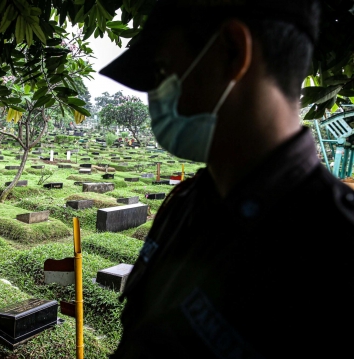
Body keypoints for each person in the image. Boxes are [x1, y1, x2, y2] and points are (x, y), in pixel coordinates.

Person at [100, 0, 354, 357]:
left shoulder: (337, 256)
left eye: (163, 70)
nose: (154, 96)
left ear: (233, 52)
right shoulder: (185, 201)